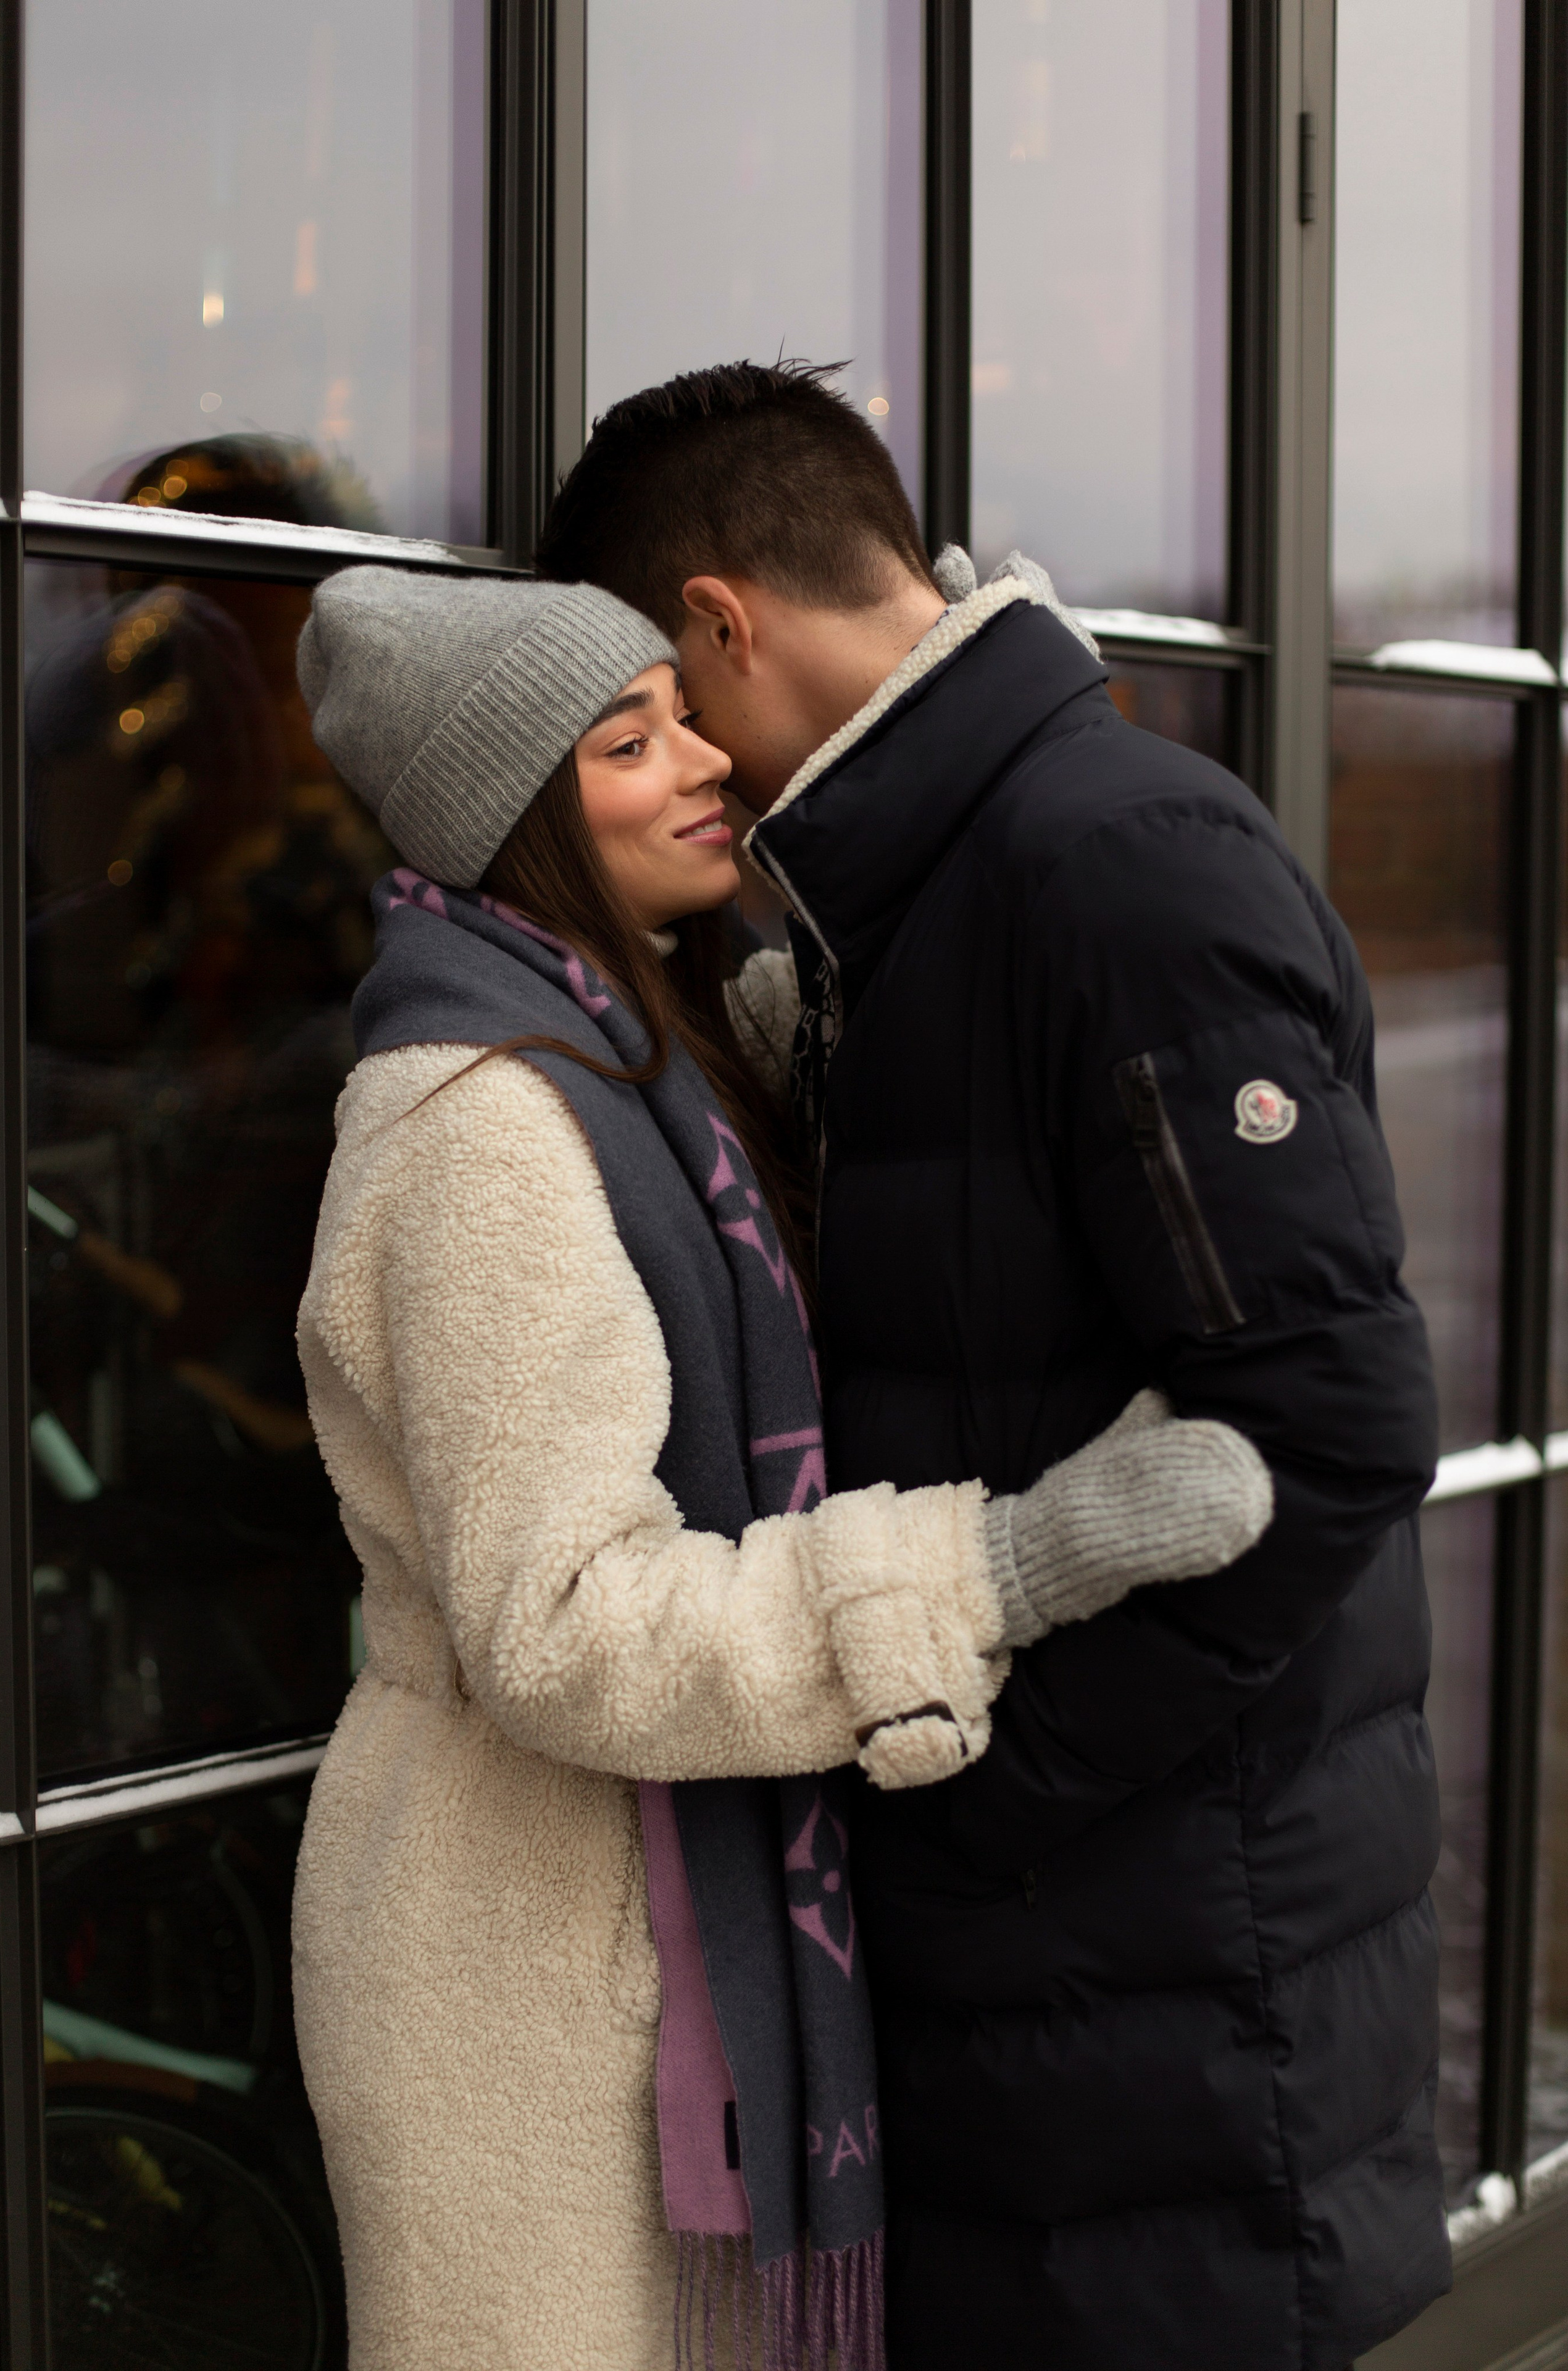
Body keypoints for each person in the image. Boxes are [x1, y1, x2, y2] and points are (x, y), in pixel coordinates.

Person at [536, 362, 1447, 2371]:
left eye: (664, 702)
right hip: (1090, 2018)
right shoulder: (928, 887)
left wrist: (981, 1808)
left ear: (719, 623)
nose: (684, 762)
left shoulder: (1108, 870)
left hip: (1176, 2023)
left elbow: (1335, 1432)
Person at [287, 566, 1272, 2371]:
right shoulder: (482, 1127)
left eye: (686, 712)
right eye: (627, 742)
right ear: (517, 821)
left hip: (628, 1920)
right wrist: (1000, 1568)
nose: (705, 760)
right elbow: (565, 1623)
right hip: (518, 1966)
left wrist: (957, 692)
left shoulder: (652, 1058)